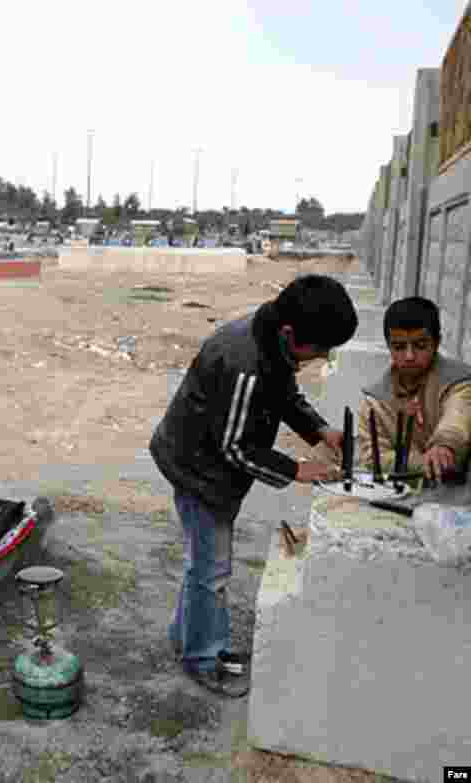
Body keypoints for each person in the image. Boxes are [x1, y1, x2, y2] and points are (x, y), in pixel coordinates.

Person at [149, 274, 358, 697]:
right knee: (212, 571)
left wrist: (320, 431)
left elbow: (285, 394)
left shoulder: (273, 340)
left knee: (203, 564)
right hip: (199, 471)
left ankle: (188, 639)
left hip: (209, 463)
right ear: (290, 333)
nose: (319, 358)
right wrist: (296, 469)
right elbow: (236, 448)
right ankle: (202, 659)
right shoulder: (244, 362)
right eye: (317, 350)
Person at [357, 297, 471, 480]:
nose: (409, 356)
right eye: (399, 347)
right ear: (388, 346)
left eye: (420, 345)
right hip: (400, 498)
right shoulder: (375, 402)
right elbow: (373, 456)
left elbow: (458, 416)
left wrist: (444, 445)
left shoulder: (459, 382)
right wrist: (422, 462)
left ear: (437, 342)